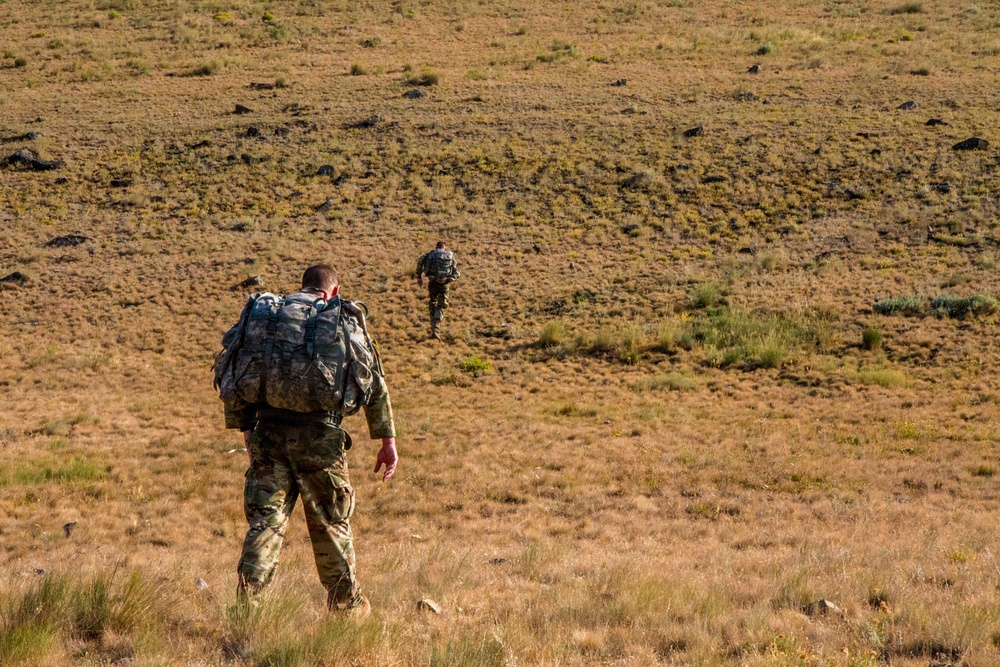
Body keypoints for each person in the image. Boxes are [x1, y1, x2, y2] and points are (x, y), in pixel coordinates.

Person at [216, 264, 398, 620]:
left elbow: (233, 372)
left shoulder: (268, 317)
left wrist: (246, 431)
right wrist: (386, 439)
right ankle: (346, 612)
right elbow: (372, 381)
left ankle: (248, 610)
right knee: (330, 526)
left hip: (269, 435)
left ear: (303, 286)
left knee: (265, 524)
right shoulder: (340, 318)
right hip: (321, 439)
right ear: (333, 291)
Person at [415, 241, 460, 339]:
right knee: (442, 305)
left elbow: (421, 261)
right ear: (445, 247)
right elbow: (456, 271)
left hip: (433, 282)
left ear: (436, 247)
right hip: (444, 284)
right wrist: (451, 278)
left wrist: (419, 276)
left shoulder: (431, 254)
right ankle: (436, 327)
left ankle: (433, 328)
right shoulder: (450, 255)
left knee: (433, 302)